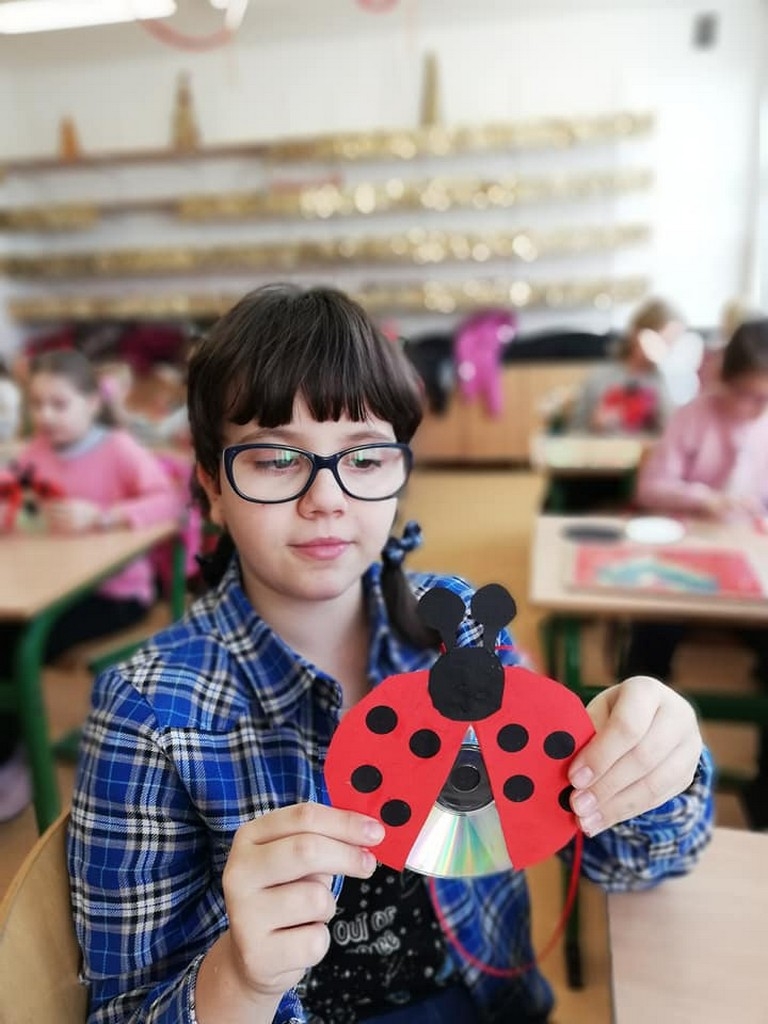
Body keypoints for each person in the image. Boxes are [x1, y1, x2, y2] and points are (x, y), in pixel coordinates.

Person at [68, 285, 712, 1024]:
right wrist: (239, 980)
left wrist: (655, 769)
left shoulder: (463, 627)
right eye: (276, 459)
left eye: (366, 457)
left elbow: (622, 861)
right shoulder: (148, 711)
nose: (327, 498)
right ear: (212, 486)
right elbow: (123, 1007)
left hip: (485, 1002)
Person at [0, 348, 181, 822]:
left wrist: (102, 516)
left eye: (59, 404)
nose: (46, 416)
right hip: (53, 586)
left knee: (16, 649)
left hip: (116, 594)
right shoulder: (37, 450)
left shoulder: (118, 449)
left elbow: (168, 502)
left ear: (91, 403)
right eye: (37, 404)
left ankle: (14, 762)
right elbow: (9, 486)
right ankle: (11, 747)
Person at [628, 318, 768, 830]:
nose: (754, 408)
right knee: (652, 633)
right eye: (747, 395)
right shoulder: (694, 416)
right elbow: (651, 487)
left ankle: (761, 796)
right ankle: (640, 762)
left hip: (751, 564)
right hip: (686, 559)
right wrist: (705, 499)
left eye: (764, 399)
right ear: (725, 380)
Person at [568, 297, 683, 436]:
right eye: (662, 340)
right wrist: (594, 424)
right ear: (637, 332)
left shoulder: (662, 382)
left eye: (671, 343)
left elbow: (672, 432)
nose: (666, 349)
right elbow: (576, 429)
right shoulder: (600, 376)